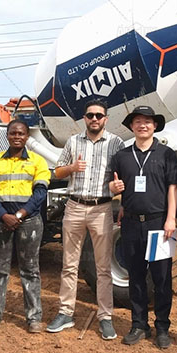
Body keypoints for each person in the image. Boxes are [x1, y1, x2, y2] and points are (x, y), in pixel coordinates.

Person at [47, 99, 125, 340]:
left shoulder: (115, 143)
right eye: (90, 115)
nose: (94, 119)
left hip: (102, 208)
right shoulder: (73, 141)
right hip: (74, 206)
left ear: (106, 118)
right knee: (69, 264)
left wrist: (117, 190)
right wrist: (71, 168)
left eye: (99, 115)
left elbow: (121, 177)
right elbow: (57, 172)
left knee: (103, 267)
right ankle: (65, 312)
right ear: (84, 118)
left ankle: (105, 317)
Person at [109, 105, 177, 349]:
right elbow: (114, 185)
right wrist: (114, 192)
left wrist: (171, 218)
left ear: (155, 126)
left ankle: (162, 327)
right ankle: (139, 324)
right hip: (130, 223)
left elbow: (173, 188)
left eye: (147, 121)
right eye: (138, 121)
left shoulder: (167, 154)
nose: (143, 125)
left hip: (159, 223)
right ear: (131, 126)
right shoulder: (122, 156)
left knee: (162, 277)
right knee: (136, 276)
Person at [0, 119, 51, 333]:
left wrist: (19, 214)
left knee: (30, 269)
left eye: (21, 133)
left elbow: (40, 193)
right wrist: (2, 214)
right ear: (8, 135)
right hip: (1, 221)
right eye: (13, 133)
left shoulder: (38, 161)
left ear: (27, 137)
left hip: (29, 221)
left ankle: (34, 317)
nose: (17, 137)